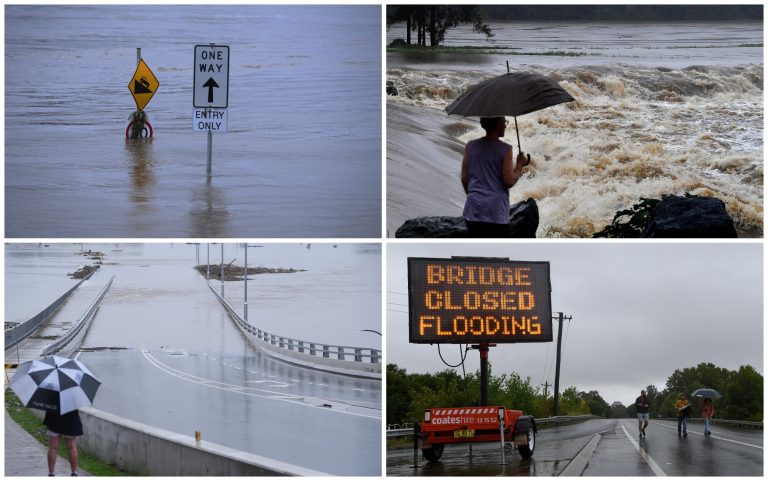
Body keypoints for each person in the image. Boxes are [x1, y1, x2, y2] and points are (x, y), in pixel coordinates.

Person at [461, 116, 530, 238]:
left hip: (473, 209)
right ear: (497, 124)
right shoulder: (505, 149)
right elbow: (509, 181)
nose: (505, 125)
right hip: (495, 213)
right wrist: (519, 166)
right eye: (504, 122)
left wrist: (475, 196)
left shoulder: (470, 146)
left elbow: (464, 178)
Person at [44, 409, 83, 476]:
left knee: (53, 447)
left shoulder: (52, 397)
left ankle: (51, 474)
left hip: (54, 414)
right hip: (70, 416)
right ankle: (74, 473)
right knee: (72, 447)